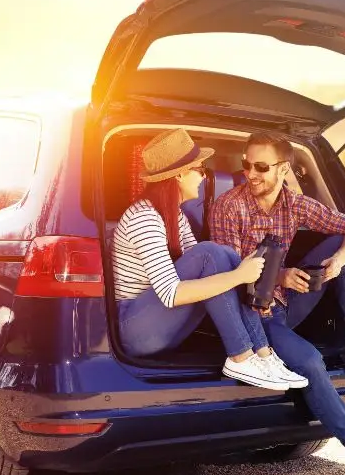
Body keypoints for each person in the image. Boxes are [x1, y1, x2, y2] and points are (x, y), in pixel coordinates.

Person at [209, 131, 345, 475]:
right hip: (254, 315)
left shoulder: (295, 204)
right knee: (311, 361)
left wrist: (338, 262)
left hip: (288, 303)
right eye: (246, 165)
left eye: (260, 167)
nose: (250, 173)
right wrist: (281, 275)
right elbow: (231, 276)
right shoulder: (229, 206)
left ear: (284, 169)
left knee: (341, 244)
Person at [112, 128, 308, 391]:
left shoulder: (175, 216)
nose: (204, 176)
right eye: (199, 169)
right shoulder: (144, 218)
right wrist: (239, 276)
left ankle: (262, 354)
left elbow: (209, 268)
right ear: (179, 174)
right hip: (136, 331)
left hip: (162, 327)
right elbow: (171, 294)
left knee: (224, 255)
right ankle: (240, 357)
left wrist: (237, 271)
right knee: (213, 253)